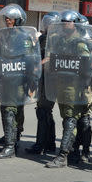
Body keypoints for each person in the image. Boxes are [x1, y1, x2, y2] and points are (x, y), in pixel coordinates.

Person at [44, 10, 92, 168]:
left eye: (69, 22)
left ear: (75, 24)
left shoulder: (80, 42)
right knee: (70, 120)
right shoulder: (59, 41)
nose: (65, 25)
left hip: (76, 88)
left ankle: (63, 155)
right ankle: (74, 151)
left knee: (71, 121)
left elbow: (89, 65)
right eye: (64, 22)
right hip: (62, 86)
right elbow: (52, 58)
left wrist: (84, 84)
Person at [0, 4, 41, 158]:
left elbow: (30, 59)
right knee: (8, 110)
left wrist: (32, 82)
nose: (7, 21)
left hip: (18, 80)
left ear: (18, 20)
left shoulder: (24, 37)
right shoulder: (4, 35)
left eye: (11, 18)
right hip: (5, 79)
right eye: (6, 18)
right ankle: (12, 139)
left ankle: (10, 146)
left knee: (11, 111)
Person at [25, 11, 60, 155]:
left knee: (43, 111)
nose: (47, 25)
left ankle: (40, 144)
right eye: (46, 23)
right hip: (41, 77)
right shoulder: (43, 38)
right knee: (45, 111)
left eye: (50, 23)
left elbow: (52, 57)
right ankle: (50, 143)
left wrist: (38, 64)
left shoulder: (58, 39)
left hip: (51, 79)